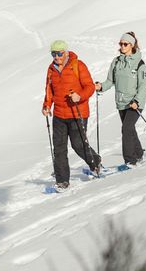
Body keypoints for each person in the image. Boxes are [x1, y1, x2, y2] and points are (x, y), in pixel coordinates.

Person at [42, 40, 102, 188]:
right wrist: (46, 105)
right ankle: (62, 180)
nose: (57, 57)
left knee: (78, 144)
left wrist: (79, 96)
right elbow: (49, 90)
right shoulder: (51, 69)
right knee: (59, 148)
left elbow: (89, 87)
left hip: (77, 112)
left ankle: (95, 162)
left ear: (66, 52)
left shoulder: (78, 65)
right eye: (53, 54)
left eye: (59, 53)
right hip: (59, 115)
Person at [96, 32, 146, 167]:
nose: (122, 46)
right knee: (130, 129)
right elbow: (110, 81)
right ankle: (138, 153)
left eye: (125, 44)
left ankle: (130, 161)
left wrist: (137, 101)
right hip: (121, 102)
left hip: (134, 103)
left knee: (126, 129)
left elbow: (143, 86)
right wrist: (101, 86)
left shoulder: (140, 64)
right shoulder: (116, 62)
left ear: (132, 45)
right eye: (120, 43)